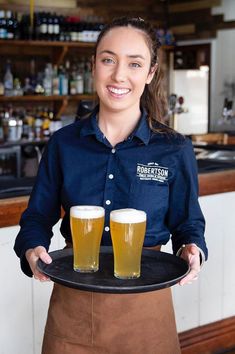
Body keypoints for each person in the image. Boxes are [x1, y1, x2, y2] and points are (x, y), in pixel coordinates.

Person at [14, 17, 208, 354]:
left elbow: (188, 223)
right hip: (72, 312)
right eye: (108, 60)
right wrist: (32, 249)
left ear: (150, 73)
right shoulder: (63, 144)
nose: (119, 75)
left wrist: (193, 249)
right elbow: (36, 218)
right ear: (93, 66)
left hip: (147, 313)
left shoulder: (174, 148)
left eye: (134, 63)